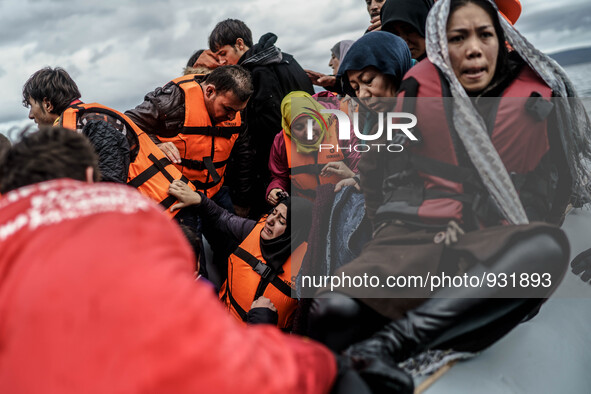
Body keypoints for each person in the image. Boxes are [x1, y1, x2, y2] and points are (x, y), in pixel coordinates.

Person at [311, 0, 590, 368]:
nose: (472, 47)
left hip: (487, 238)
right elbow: (377, 180)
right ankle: (379, 352)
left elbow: (560, 179)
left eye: (484, 35)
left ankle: (396, 342)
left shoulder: (537, 92)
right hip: (416, 238)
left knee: (543, 248)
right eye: (458, 37)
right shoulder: (411, 93)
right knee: (329, 308)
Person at [0, 127, 339, 394]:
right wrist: (328, 365)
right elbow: (218, 368)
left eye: (281, 220)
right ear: (90, 178)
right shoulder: (134, 220)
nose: (272, 224)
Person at [21, 67, 194, 217]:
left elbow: (110, 186)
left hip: (173, 215)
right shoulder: (84, 121)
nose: (30, 115)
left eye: (31, 105)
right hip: (157, 214)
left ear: (47, 104)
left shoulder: (94, 123)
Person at [168, 179, 313, 330]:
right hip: (222, 327)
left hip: (262, 343)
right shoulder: (254, 230)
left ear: (294, 232)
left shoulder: (309, 265)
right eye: (273, 213)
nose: (270, 221)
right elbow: (223, 218)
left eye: (281, 221)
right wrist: (199, 199)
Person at [208, 19, 314, 218]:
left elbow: (255, 139)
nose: (221, 62)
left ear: (240, 44)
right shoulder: (288, 60)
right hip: (311, 164)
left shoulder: (251, 76)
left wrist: (246, 195)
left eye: (223, 54)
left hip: (275, 177)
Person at [266, 91, 360, 205]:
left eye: (312, 122)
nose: (309, 132)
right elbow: (279, 177)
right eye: (299, 127)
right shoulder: (281, 141)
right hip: (304, 207)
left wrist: (351, 174)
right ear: (289, 128)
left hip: (342, 203)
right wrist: (275, 189)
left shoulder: (340, 129)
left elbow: (360, 173)